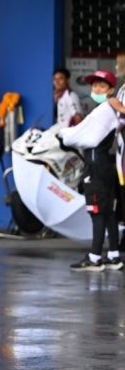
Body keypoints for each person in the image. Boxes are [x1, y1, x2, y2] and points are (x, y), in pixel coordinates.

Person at [61, 70, 123, 271]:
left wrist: (63, 134)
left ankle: (95, 258)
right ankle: (114, 256)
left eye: (102, 86)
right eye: (94, 85)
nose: (96, 89)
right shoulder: (108, 109)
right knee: (108, 213)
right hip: (106, 166)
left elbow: (80, 137)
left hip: (96, 168)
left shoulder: (105, 109)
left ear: (111, 90)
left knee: (97, 212)